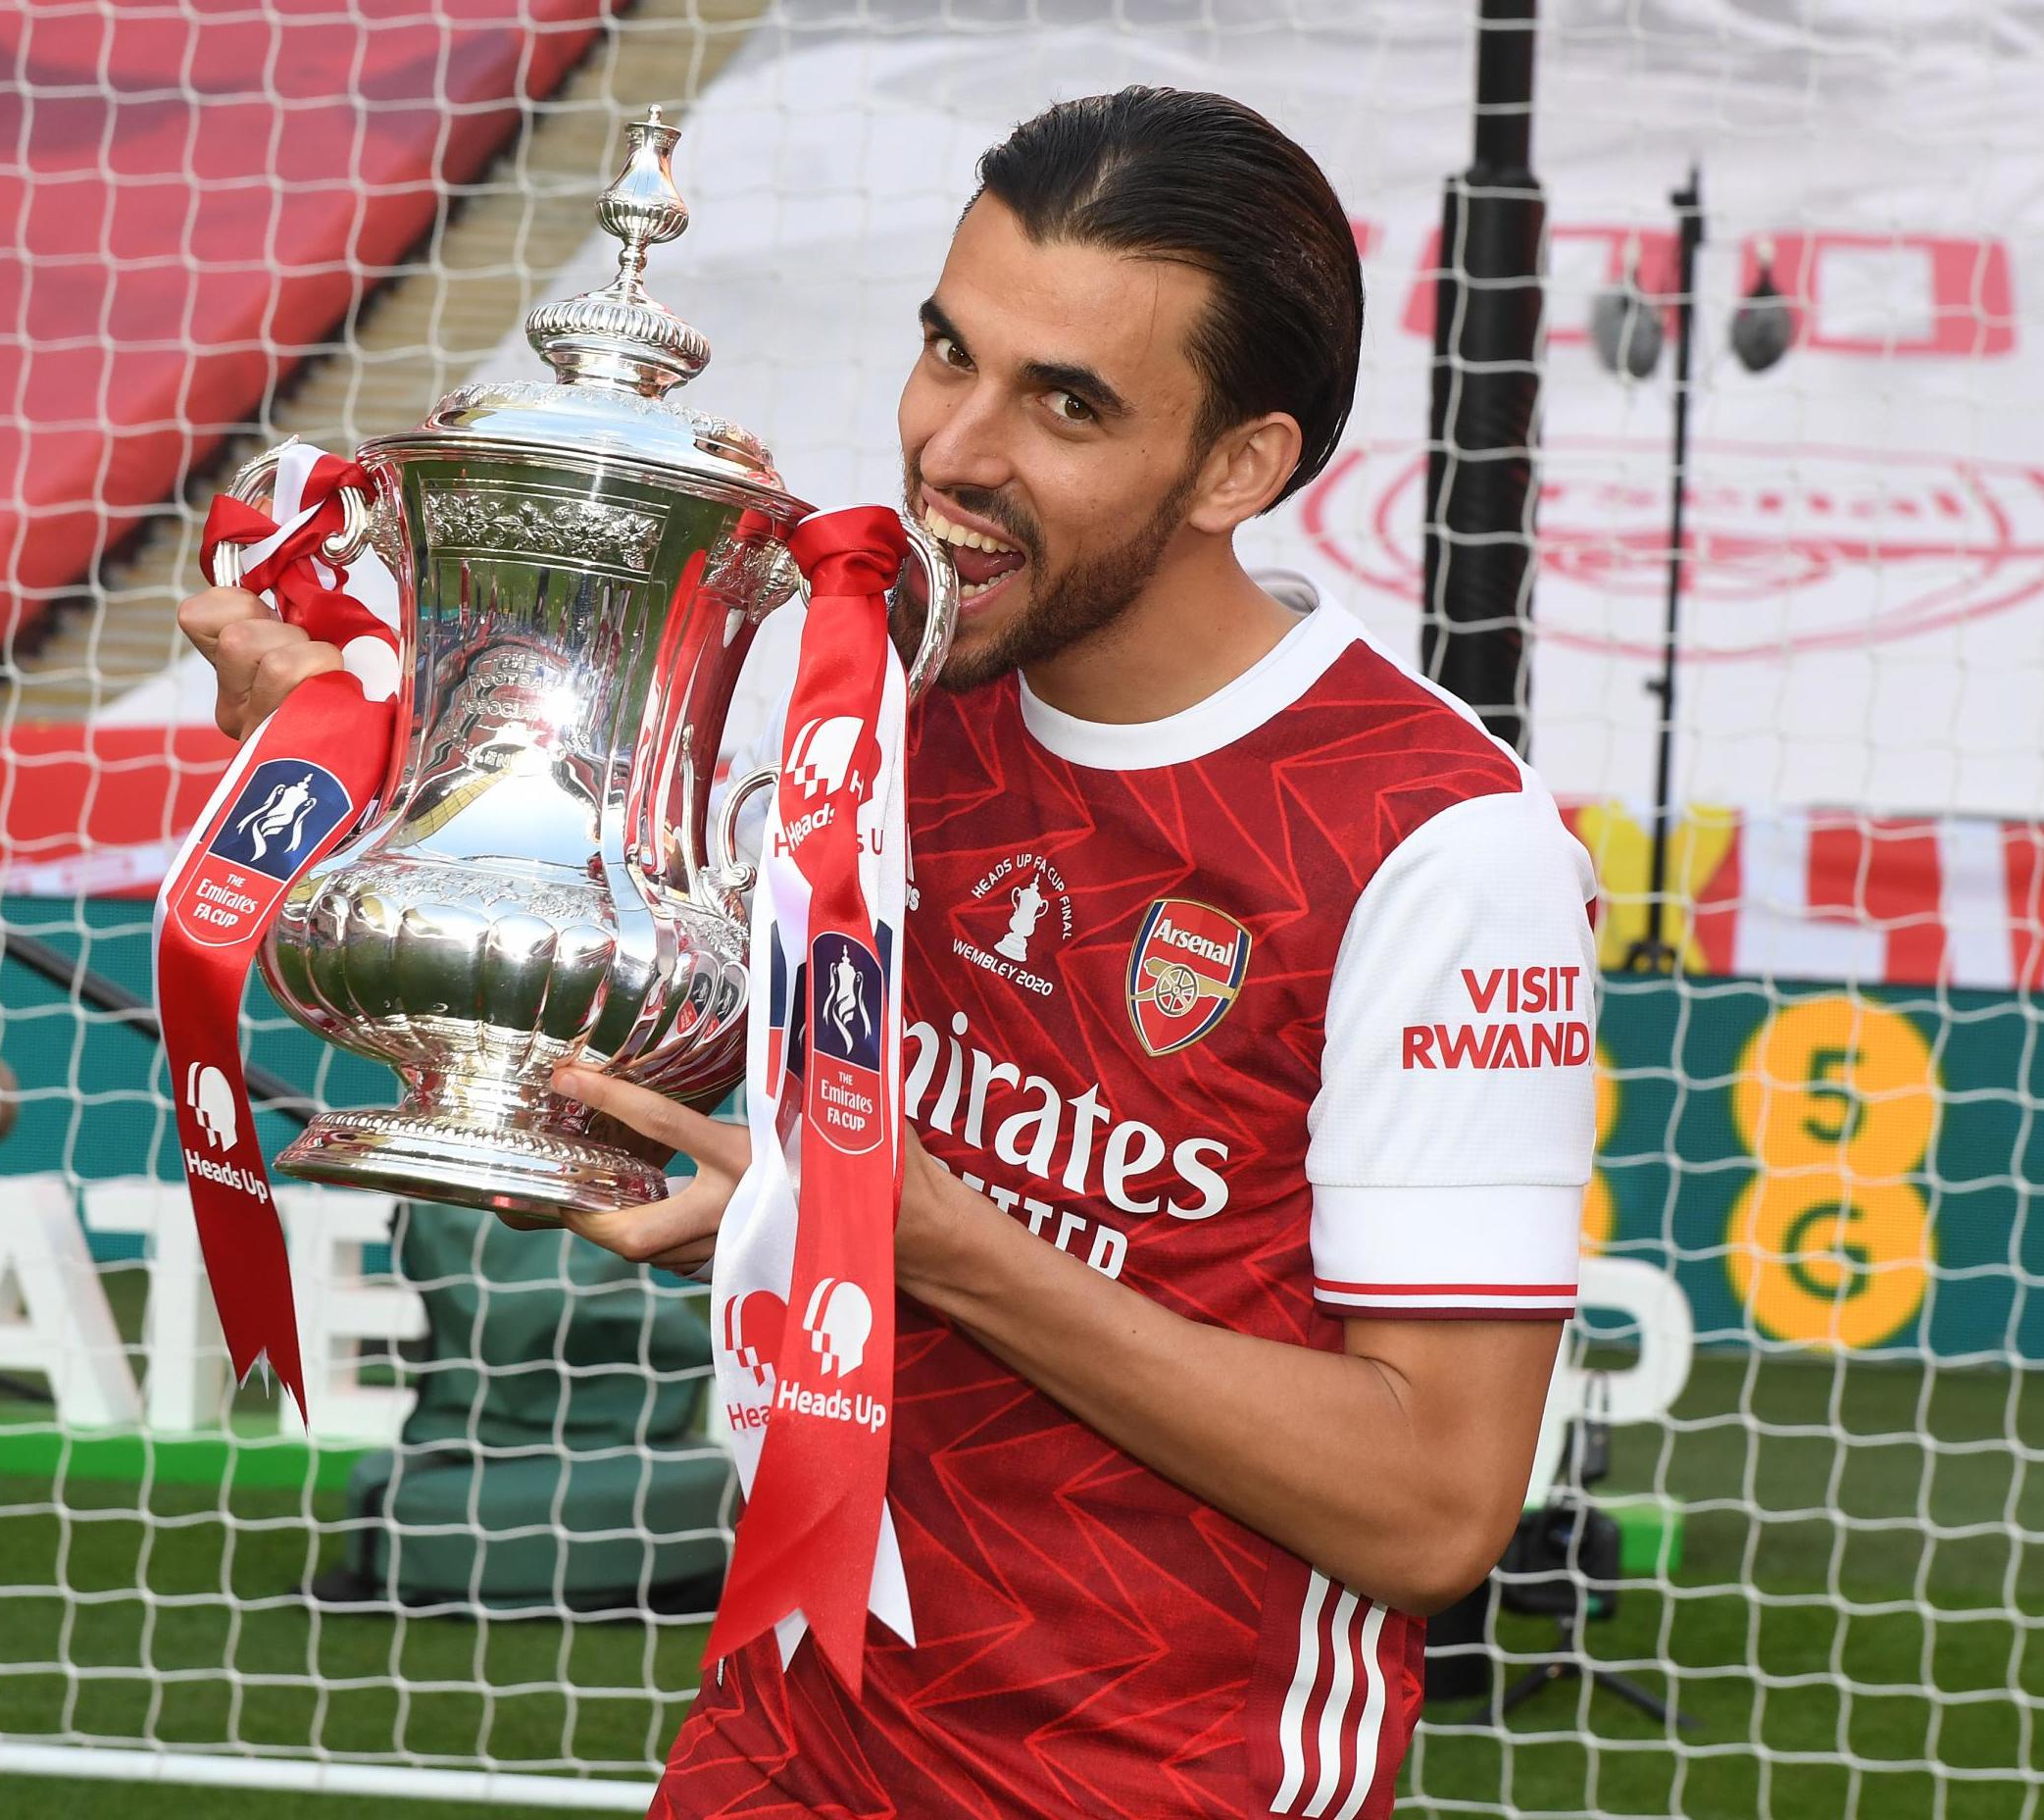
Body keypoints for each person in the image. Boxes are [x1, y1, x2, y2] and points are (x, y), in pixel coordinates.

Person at [180, 86, 1599, 1820]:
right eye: (948, 354)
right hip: (788, 1729)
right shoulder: (887, 699)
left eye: (1065, 403)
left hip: (1152, 1787)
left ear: (1242, 465)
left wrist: (934, 1240)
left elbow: (1435, 1509)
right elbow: (667, 1040)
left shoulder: (1437, 842)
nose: (953, 450)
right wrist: (378, 779)